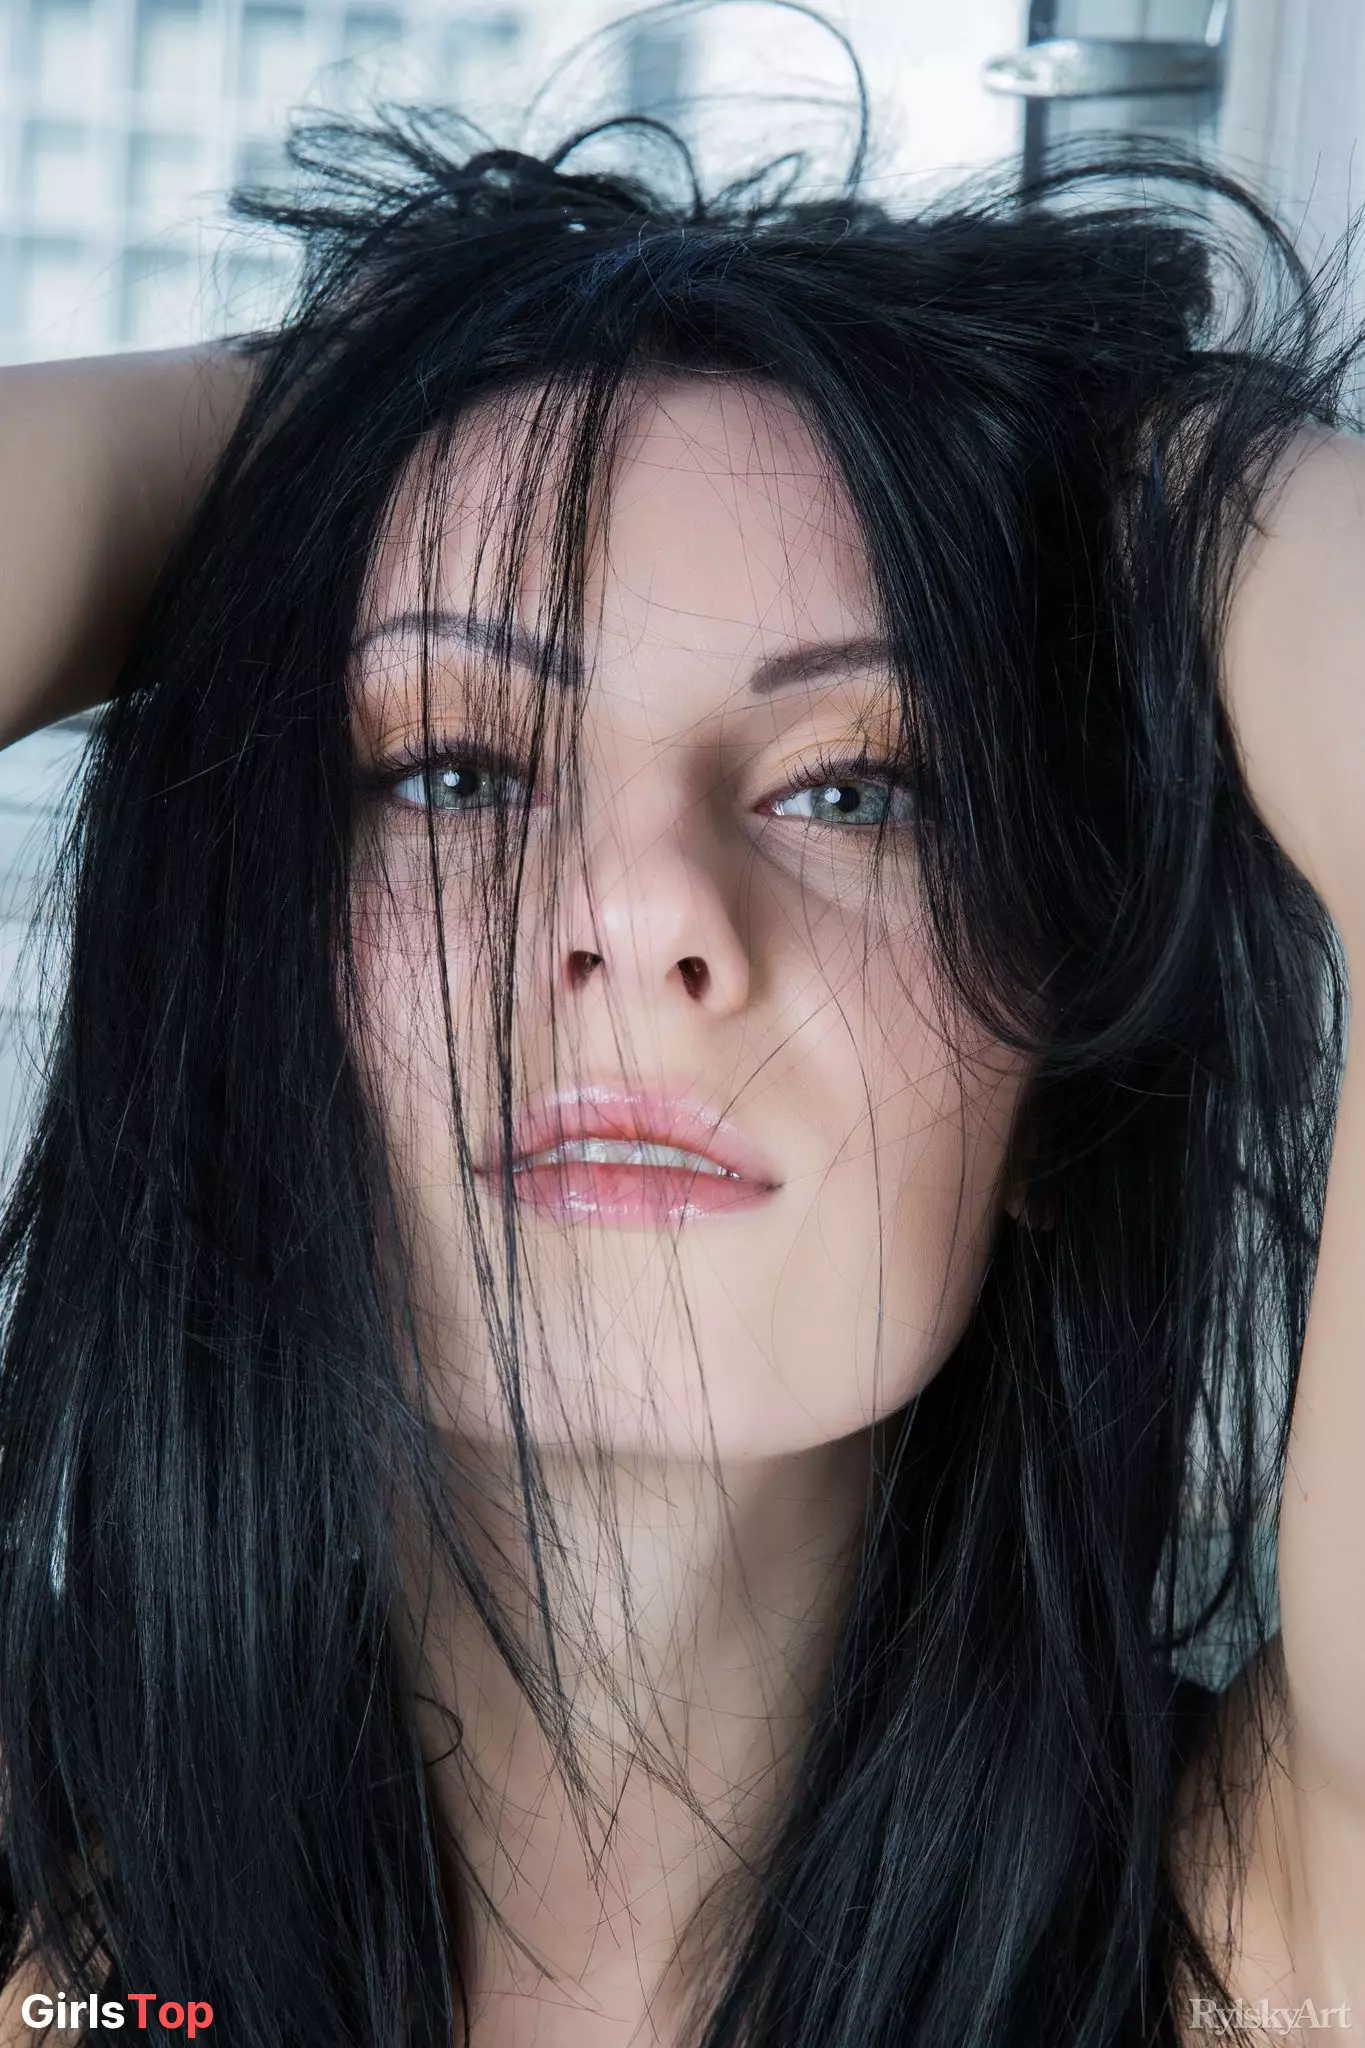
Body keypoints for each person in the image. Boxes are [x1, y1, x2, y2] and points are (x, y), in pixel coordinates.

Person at [0, 55, 1364, 2048]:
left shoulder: (1254, 1956)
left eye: (855, 791)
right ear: (241, 988)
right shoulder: (54, 1929)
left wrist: (1160, 478)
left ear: (1054, 1092)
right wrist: (313, 431)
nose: (644, 911)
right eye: (455, 770)